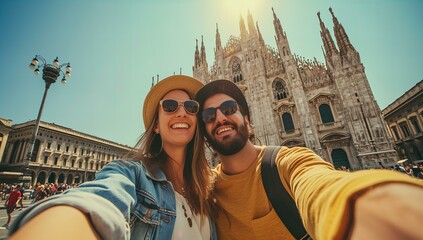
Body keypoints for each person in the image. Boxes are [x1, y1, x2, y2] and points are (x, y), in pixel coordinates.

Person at [195, 79, 423, 240]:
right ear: (204, 134)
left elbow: (322, 186)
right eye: (208, 116)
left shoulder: (287, 162)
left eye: (229, 108)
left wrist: (382, 210)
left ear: (248, 121)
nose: (220, 118)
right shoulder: (205, 188)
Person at [8, 75, 216, 240]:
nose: (181, 112)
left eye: (190, 107)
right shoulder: (133, 176)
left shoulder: (208, 187)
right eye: (170, 106)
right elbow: (98, 202)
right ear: (155, 125)